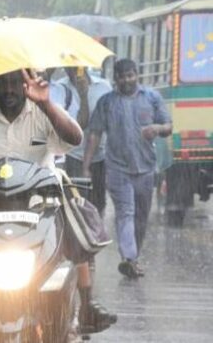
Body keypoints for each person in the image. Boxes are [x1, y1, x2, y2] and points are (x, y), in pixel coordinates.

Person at [0, 69, 110, 343]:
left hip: (42, 201)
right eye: (2, 82)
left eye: (16, 82)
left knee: (77, 232)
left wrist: (47, 103)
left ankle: (86, 305)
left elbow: (73, 139)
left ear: (26, 84)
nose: (9, 89)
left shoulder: (43, 111)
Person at [83, 58, 172, 279]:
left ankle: (134, 257)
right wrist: (86, 165)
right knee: (125, 212)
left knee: (141, 217)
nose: (126, 80)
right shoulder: (107, 103)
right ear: (115, 80)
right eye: (121, 77)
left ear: (137, 75)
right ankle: (128, 258)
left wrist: (157, 128)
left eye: (130, 75)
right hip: (117, 169)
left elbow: (169, 126)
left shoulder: (151, 98)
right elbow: (95, 133)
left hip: (145, 168)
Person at [51, 68, 112, 214]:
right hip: (74, 155)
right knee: (77, 201)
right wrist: (82, 95)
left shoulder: (104, 87)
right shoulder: (62, 89)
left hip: (100, 156)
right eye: (68, 66)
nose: (73, 69)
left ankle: (95, 234)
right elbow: (76, 123)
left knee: (98, 202)